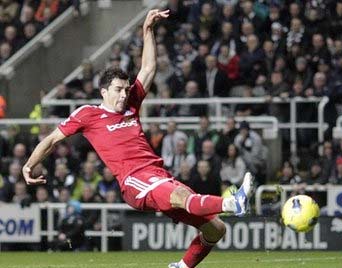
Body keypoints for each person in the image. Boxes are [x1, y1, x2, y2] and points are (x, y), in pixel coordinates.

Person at [22, 9, 254, 268]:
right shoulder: (88, 114)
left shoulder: (132, 103)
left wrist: (147, 30)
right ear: (104, 92)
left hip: (159, 175)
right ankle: (233, 202)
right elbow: (52, 139)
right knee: (180, 196)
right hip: (134, 181)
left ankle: (182, 266)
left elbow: (149, 68)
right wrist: (29, 165)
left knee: (216, 230)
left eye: (126, 89)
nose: (124, 95)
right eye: (118, 90)